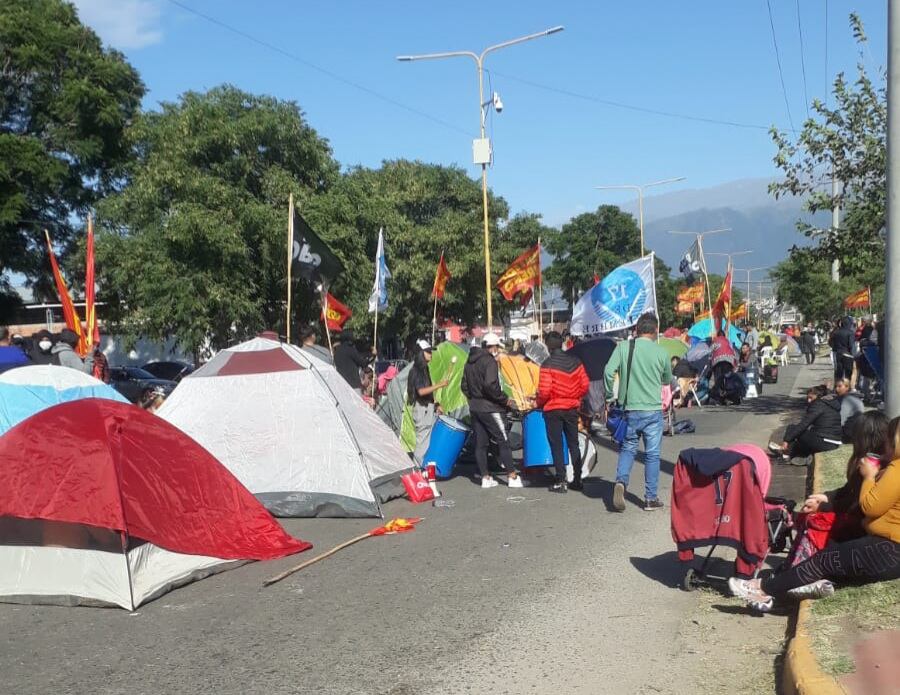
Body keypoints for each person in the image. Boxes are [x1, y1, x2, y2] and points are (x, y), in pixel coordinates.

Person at [729, 415, 900, 612]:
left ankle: (762, 589)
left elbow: (870, 507)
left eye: (889, 438)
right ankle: (803, 582)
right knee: (835, 557)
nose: (885, 443)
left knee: (825, 558)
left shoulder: (895, 468)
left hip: (890, 548)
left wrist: (869, 476)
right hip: (887, 548)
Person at [603, 312, 672, 512]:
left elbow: (608, 372)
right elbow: (666, 380)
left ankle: (621, 483)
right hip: (652, 410)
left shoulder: (623, 347)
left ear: (637, 330)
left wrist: (609, 396)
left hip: (630, 410)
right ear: (655, 330)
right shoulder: (661, 353)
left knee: (628, 449)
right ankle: (650, 498)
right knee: (652, 455)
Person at [461, 333, 523, 489]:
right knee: (503, 440)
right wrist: (504, 399)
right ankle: (512, 476)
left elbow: (464, 386)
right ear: (493, 347)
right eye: (497, 347)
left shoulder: (469, 362)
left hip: (475, 407)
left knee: (481, 444)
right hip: (490, 408)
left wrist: (474, 398)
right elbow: (490, 385)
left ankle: (485, 477)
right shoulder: (489, 361)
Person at [535, 331, 589, 493]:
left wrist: (538, 402)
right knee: (574, 443)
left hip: (553, 409)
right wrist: (575, 396)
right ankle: (578, 479)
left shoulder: (547, 364)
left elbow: (544, 391)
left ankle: (561, 480)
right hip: (571, 408)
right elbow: (585, 385)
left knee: (557, 445)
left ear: (548, 346)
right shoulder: (576, 362)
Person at [771, 385, 842, 462]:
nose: (808, 400)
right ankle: (798, 455)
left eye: (811, 398)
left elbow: (803, 425)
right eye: (807, 398)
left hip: (825, 442)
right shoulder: (830, 404)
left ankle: (785, 454)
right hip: (834, 443)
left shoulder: (818, 405)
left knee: (792, 428)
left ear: (818, 396)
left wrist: (786, 440)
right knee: (800, 440)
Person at [407, 340, 448, 464]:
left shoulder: (424, 369)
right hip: (422, 409)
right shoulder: (417, 370)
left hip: (427, 408)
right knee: (422, 443)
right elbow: (421, 392)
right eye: (428, 351)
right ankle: (418, 471)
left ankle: (423, 470)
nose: (431, 354)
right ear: (421, 353)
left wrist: (435, 405)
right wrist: (439, 385)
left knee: (427, 442)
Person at [834, 377, 865, 442]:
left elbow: (841, 420)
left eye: (839, 386)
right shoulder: (856, 397)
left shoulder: (847, 400)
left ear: (847, 387)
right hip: (859, 432)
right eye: (836, 386)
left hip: (849, 433)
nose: (836, 389)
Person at [829, 317, 857, 382]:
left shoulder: (836, 332)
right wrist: (854, 355)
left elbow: (831, 342)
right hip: (848, 354)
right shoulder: (850, 333)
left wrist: (835, 348)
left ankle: (837, 386)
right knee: (848, 372)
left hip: (838, 353)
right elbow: (851, 345)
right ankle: (846, 387)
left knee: (839, 371)